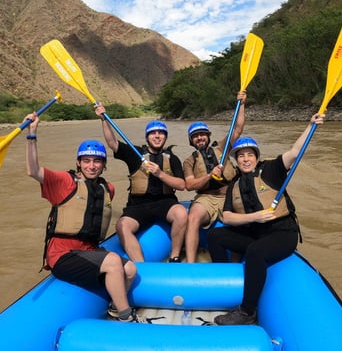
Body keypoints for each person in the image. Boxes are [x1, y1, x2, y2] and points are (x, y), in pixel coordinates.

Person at [24, 112, 146, 323]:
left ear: (103, 164)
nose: (92, 165)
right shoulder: (64, 181)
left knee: (130, 268)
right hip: (63, 254)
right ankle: (127, 316)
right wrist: (32, 134)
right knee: (114, 261)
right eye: (87, 160)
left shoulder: (108, 188)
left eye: (97, 161)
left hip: (89, 250)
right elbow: (33, 170)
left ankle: (115, 308)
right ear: (79, 163)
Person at [207, 113, 325, 325]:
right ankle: (223, 281)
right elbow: (227, 217)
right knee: (215, 234)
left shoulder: (271, 170)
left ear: (256, 156)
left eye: (249, 155)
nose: (245, 159)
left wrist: (310, 125)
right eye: (241, 155)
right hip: (256, 233)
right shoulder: (234, 185)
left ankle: (247, 312)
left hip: (282, 233)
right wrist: (255, 217)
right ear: (236, 159)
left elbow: (295, 152)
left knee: (255, 251)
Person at [94, 104, 187, 262]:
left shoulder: (172, 158)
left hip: (165, 203)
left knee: (181, 214)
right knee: (122, 225)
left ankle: (175, 256)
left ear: (165, 137)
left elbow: (181, 185)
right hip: (138, 205)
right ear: (147, 137)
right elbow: (112, 143)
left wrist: (160, 173)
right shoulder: (135, 153)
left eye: (161, 133)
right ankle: (140, 265)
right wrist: (104, 119)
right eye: (153, 133)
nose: (157, 136)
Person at [183, 90, 247, 263]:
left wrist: (241, 104)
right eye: (195, 136)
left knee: (243, 219)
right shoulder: (189, 161)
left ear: (208, 136)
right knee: (193, 216)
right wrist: (210, 176)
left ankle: (236, 264)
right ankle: (190, 263)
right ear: (191, 141)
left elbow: (238, 128)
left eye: (202, 134)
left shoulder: (222, 147)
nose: (200, 138)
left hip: (230, 194)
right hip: (207, 197)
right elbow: (189, 185)